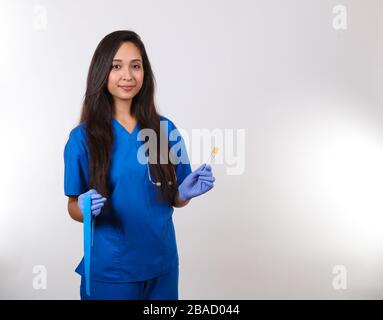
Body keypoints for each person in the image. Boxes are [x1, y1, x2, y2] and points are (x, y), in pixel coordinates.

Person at [63, 30, 215, 300]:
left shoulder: (163, 130)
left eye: (136, 66)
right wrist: (84, 208)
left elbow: (173, 198)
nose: (128, 76)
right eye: (116, 66)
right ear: (101, 72)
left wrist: (185, 193)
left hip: (163, 266)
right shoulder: (83, 138)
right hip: (112, 272)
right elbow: (73, 207)